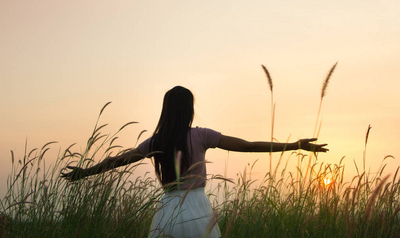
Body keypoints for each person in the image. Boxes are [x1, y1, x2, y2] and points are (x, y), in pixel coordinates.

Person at [61, 86, 328, 237]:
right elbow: (248, 147)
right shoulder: (201, 136)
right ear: (189, 110)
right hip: (198, 209)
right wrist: (295, 145)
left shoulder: (155, 143)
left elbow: (116, 161)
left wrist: (84, 172)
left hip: (168, 211)